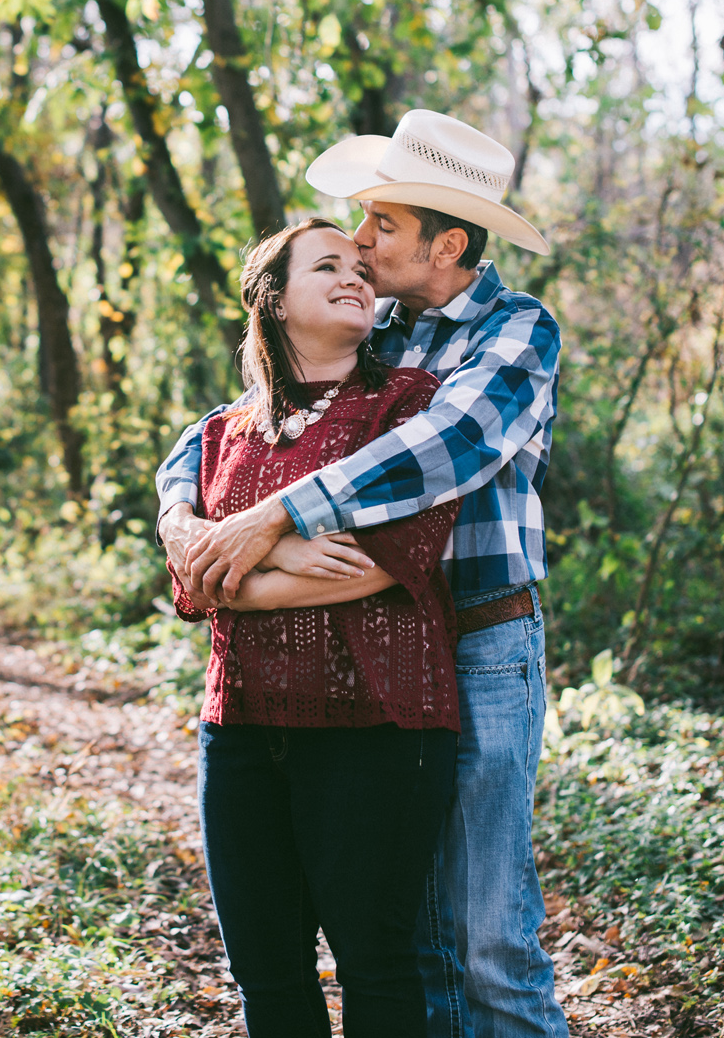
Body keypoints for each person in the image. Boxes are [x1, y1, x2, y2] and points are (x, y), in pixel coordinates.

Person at [161, 109, 567, 1038]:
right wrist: (180, 510)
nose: (360, 239)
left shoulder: (515, 331)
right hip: (372, 656)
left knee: (489, 936)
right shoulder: (370, 318)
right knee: (406, 939)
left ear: (448, 242)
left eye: (381, 224)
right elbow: (233, 419)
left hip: (483, 640)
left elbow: (448, 447)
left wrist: (271, 519)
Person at [173, 217, 462, 1038]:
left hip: (377, 724)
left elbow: (391, 560)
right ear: (273, 299)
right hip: (241, 728)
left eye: (360, 268)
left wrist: (248, 564)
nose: (355, 277)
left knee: (375, 965)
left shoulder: (407, 404)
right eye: (326, 266)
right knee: (266, 977)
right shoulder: (223, 431)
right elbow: (192, 579)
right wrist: (294, 553)